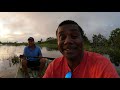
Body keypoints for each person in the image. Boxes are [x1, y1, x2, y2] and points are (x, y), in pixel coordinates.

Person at [43, 20, 119, 78]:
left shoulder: (102, 65)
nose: (68, 41)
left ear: (82, 40)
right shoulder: (54, 66)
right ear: (57, 42)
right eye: (62, 37)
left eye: (74, 36)